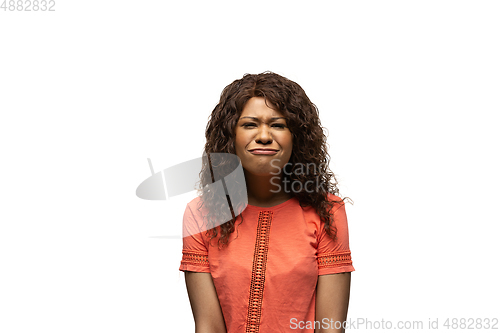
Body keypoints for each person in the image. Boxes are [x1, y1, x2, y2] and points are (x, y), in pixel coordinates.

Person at [179, 72, 354, 333]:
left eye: (278, 125)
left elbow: (330, 328)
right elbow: (208, 327)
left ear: (297, 138)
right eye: (250, 124)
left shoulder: (327, 212)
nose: (263, 135)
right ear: (230, 136)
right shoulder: (201, 214)